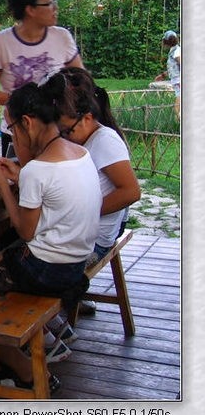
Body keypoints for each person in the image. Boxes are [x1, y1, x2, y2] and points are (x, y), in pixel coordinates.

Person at [0, 73, 101, 393]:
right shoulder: (77, 153)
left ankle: (26, 370)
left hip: (47, 268)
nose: (12, 135)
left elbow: (26, 231)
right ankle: (3, 357)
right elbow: (55, 197)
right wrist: (20, 175)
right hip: (73, 261)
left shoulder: (39, 170)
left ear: (27, 123)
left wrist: (3, 184)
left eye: (11, 128)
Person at [49, 66, 141, 333]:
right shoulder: (85, 137)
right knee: (16, 247)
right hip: (82, 233)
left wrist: (83, 211)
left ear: (87, 117)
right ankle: (50, 327)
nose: (63, 135)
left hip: (93, 240)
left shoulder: (104, 141)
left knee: (24, 264)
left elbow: (131, 192)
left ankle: (44, 330)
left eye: (67, 130)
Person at [0, 0, 84, 153]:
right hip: (17, 134)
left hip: (59, 133)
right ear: (31, 10)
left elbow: (81, 80)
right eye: (50, 3)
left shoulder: (62, 37)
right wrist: (25, 103)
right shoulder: (0, 42)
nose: (55, 8)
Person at [152, 30, 181, 122]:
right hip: (176, 79)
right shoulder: (173, 51)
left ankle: (177, 119)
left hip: (179, 80)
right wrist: (163, 75)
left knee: (179, 97)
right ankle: (178, 119)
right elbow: (174, 67)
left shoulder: (177, 51)